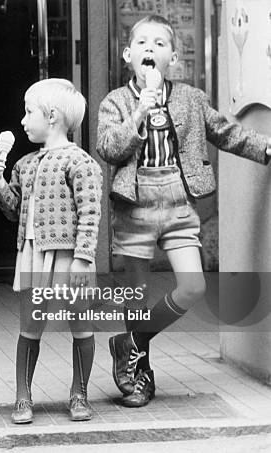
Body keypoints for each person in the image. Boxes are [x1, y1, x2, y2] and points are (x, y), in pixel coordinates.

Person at [97, 15, 271, 408]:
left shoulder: (191, 98)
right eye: (142, 43)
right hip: (134, 205)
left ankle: (130, 343)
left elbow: (226, 131)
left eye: (160, 44)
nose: (150, 49)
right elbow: (108, 148)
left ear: (173, 57)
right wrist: (139, 111)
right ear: (128, 55)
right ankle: (141, 377)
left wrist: (264, 147)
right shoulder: (116, 102)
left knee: (193, 287)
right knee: (137, 297)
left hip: (178, 201)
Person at [0, 79, 103, 423]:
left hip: (70, 255)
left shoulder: (81, 163)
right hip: (32, 253)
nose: (23, 121)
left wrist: (84, 257)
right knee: (29, 326)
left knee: (81, 325)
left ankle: (79, 393)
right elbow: (13, 210)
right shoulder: (23, 164)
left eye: (28, 112)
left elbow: (90, 212)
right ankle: (23, 397)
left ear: (51, 116)